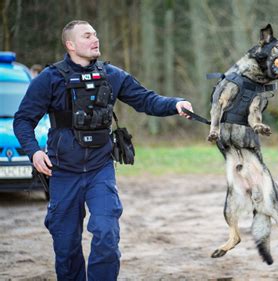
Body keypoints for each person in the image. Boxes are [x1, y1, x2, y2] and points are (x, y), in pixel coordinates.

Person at [13, 20, 193, 281]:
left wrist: (176, 104)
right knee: (66, 246)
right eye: (87, 36)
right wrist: (34, 152)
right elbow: (23, 120)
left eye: (96, 34)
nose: (95, 39)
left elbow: (146, 100)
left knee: (107, 233)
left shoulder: (112, 75)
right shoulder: (49, 79)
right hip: (63, 172)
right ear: (71, 44)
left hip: (100, 170)